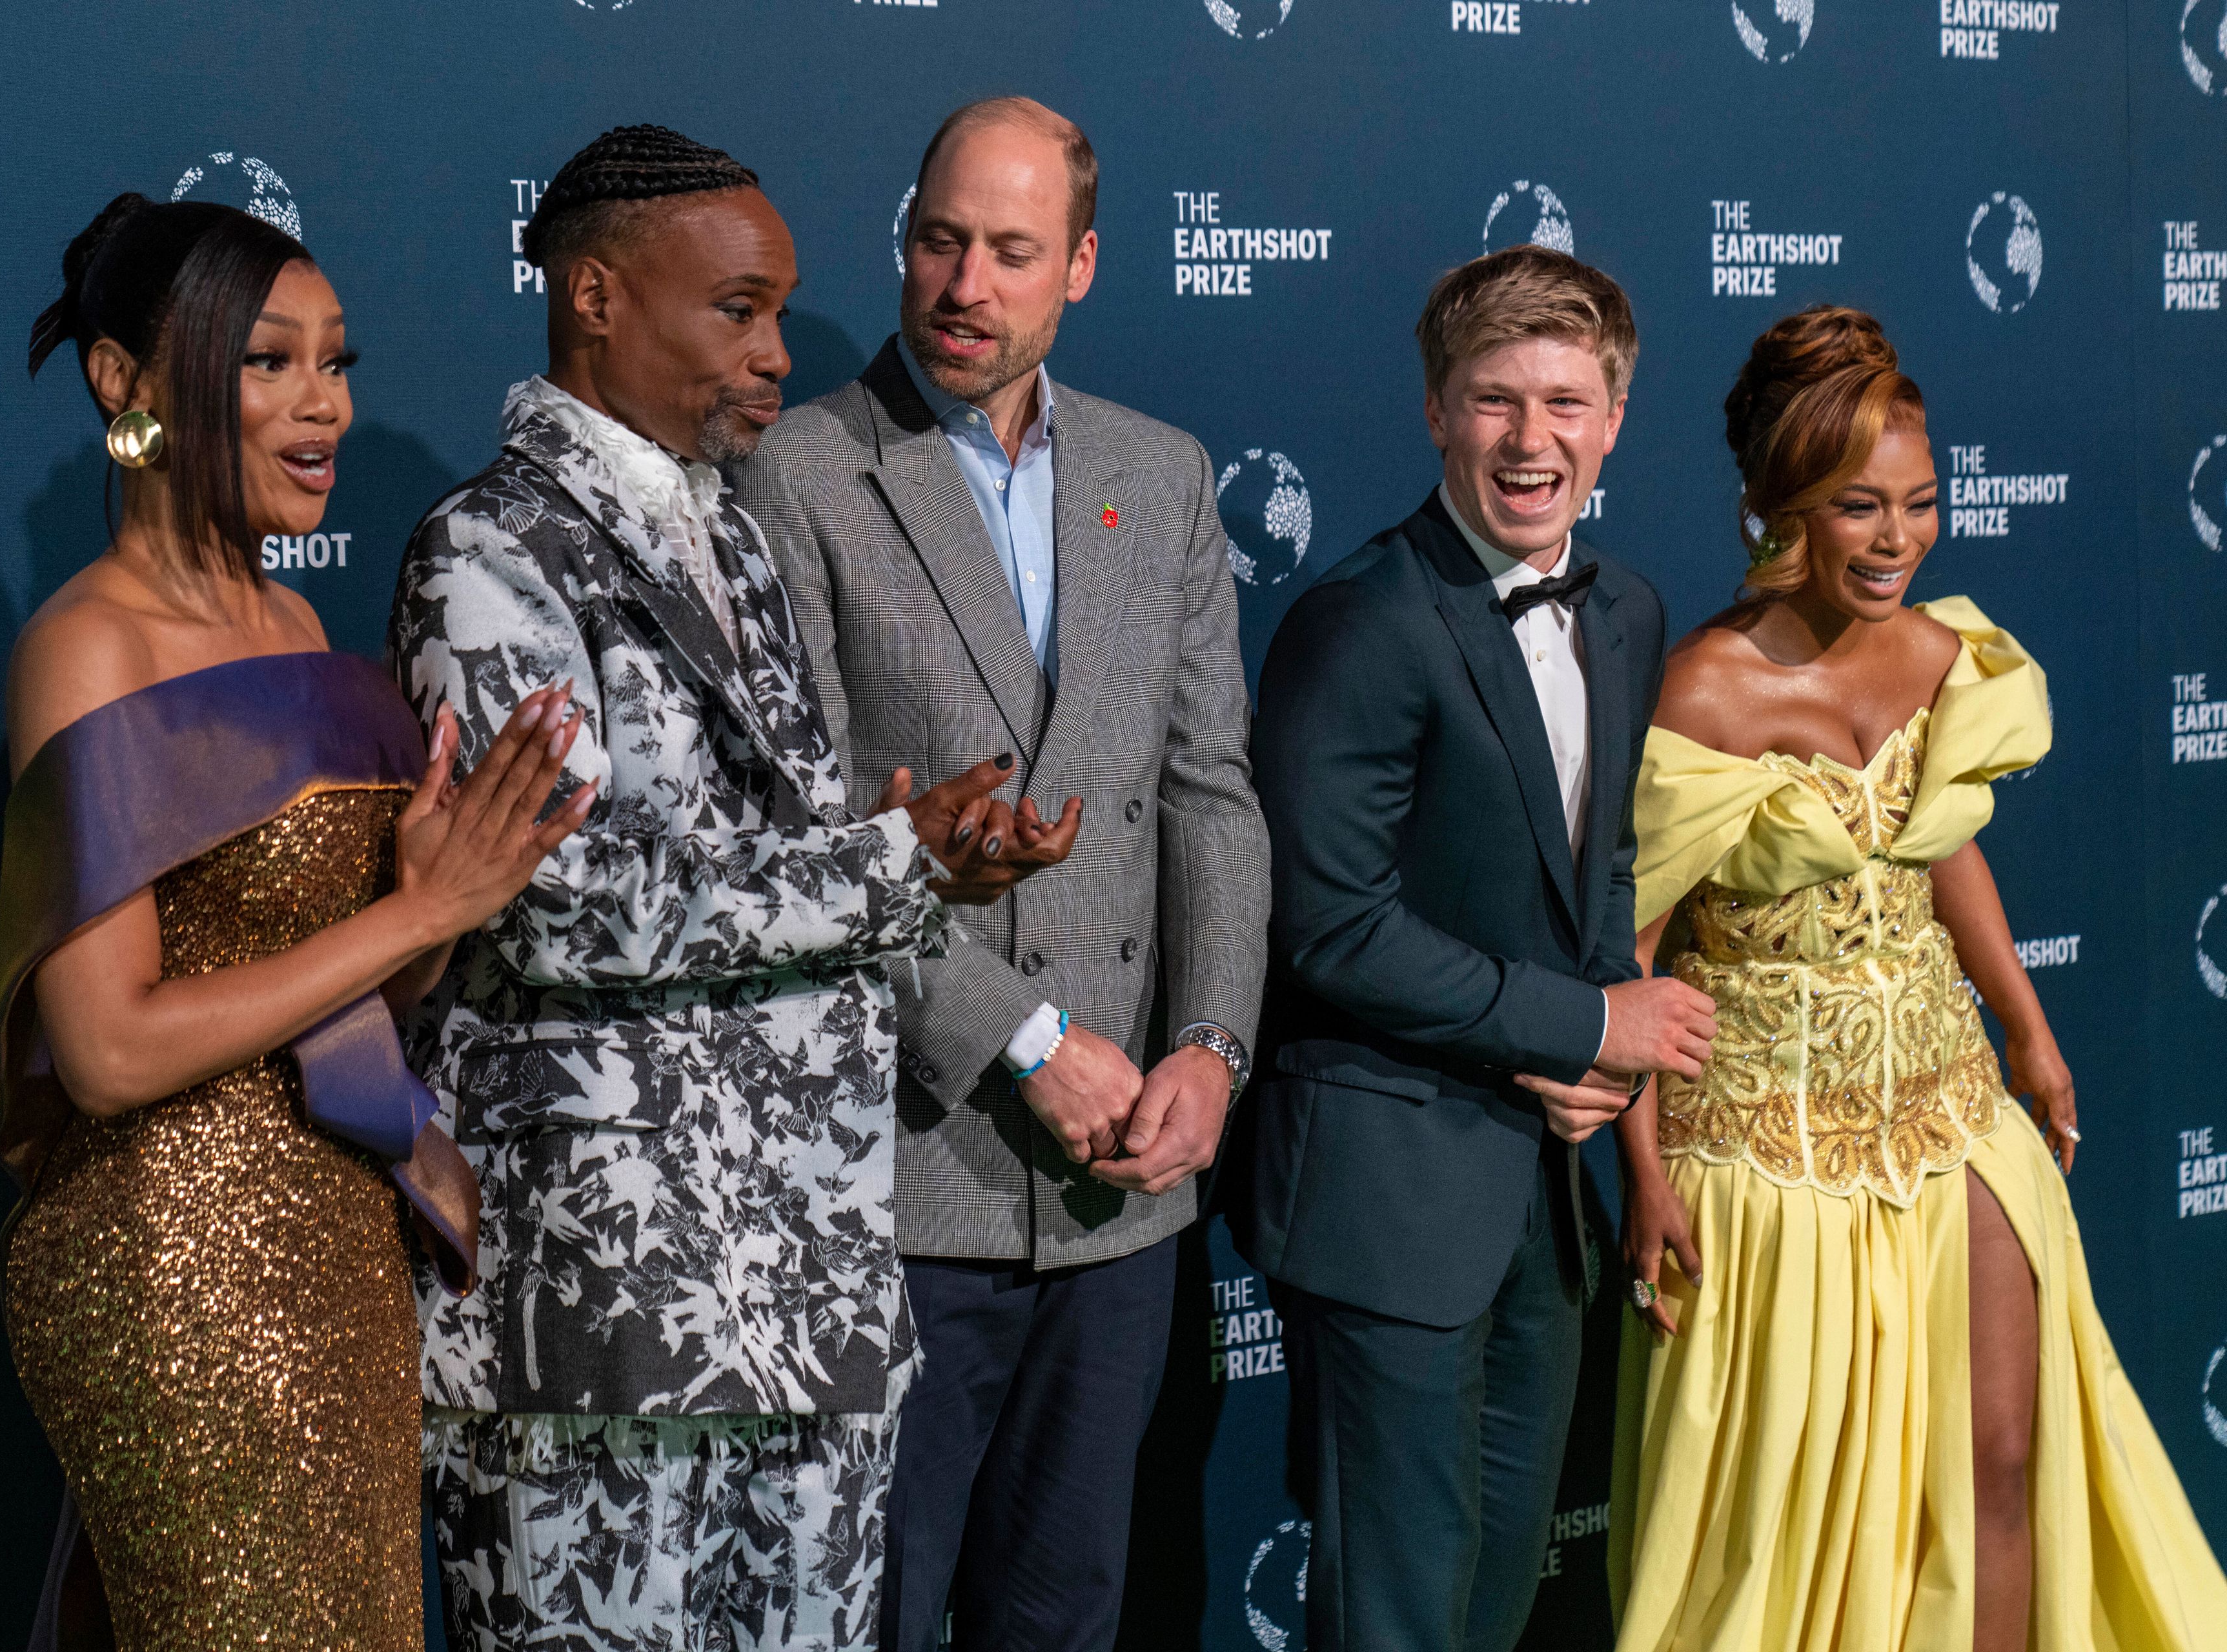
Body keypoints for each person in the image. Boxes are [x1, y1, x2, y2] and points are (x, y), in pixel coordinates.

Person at [391, 126, 1073, 1652]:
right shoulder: (489, 551)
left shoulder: (736, 535)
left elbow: (774, 855)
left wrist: (917, 858)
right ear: (595, 297)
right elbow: (546, 898)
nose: (778, 355)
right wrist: (885, 862)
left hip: (810, 1282)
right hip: (605, 1307)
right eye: (737, 311)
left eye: (781, 311)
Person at [0, 194, 592, 1651]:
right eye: (270, 362)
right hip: (167, 1264)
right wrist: (414, 914)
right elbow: (109, 1047)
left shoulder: (303, 634)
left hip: (332, 1233)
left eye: (336, 362)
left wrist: (436, 906)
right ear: (124, 383)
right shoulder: (90, 646)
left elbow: (350, 1002)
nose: (324, 404)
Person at [730, 97, 1270, 1652]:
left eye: (1010, 252)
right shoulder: (806, 471)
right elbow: (809, 833)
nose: (963, 282)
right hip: (903, 1184)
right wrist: (1027, 1042)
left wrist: (1212, 1051)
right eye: (940, 240)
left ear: (1082, 267)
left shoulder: (1160, 476)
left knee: (1064, 1619)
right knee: (872, 1618)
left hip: (1123, 1205)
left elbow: (1209, 798)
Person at [1608, 306, 2227, 1651]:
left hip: (1954, 1121)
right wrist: (1643, 1172)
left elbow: (1945, 850)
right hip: (1769, 1167)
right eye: (1857, 507)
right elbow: (1630, 961)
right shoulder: (1700, 692)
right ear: (1779, 504)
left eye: (1920, 503)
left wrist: (2030, 1027)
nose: (1896, 539)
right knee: (1795, 1532)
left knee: (1999, 1460)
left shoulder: (1945, 652)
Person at [1229, 244, 1718, 1652]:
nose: (1532, 439)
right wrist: (1579, 1031)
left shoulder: (1625, 612)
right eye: (1496, 399)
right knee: (1397, 1616)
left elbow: (1603, 877)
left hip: (1545, 1199)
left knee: (1498, 1600)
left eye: (1567, 402)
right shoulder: (1364, 620)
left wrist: (1599, 1059)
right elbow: (1328, 926)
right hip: (1388, 1196)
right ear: (1439, 412)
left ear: (1615, 420)